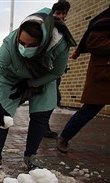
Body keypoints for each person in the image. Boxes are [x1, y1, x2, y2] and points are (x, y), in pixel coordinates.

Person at [0, 7, 76, 172]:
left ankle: (30, 157)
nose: (24, 48)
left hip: (42, 79)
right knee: (3, 115)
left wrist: (32, 83)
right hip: (12, 78)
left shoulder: (60, 44)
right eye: (22, 43)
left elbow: (57, 72)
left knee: (40, 116)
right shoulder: (11, 42)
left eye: (31, 45)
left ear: (43, 41)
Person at [57, 0, 110, 162]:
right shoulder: (106, 18)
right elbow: (92, 42)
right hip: (107, 74)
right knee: (91, 108)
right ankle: (64, 137)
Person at [43, 0, 71, 139]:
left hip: (55, 72)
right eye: (58, 13)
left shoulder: (63, 28)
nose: (60, 16)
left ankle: (43, 125)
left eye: (63, 13)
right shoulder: (50, 26)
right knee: (49, 98)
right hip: (46, 70)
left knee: (53, 99)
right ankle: (42, 126)